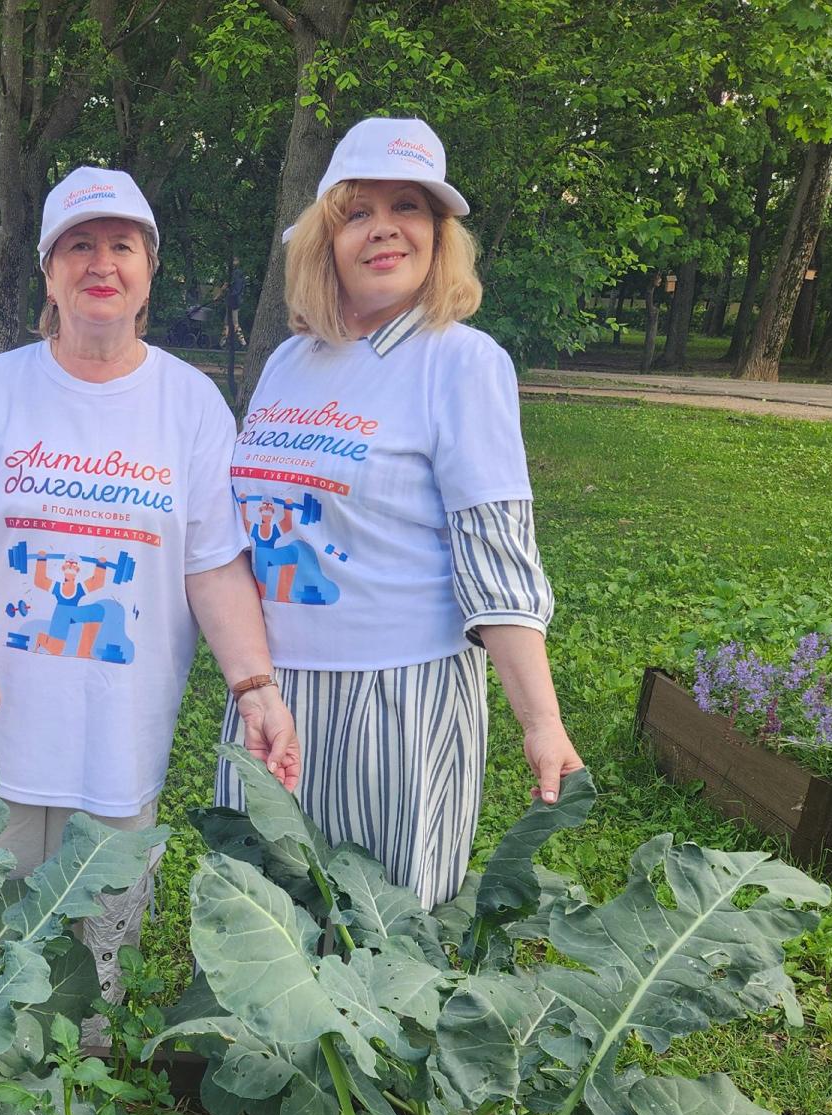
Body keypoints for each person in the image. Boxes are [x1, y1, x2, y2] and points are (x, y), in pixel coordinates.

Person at [0, 166, 298, 999]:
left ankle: (81, 1096)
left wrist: (255, 686)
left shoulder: (189, 404)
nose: (101, 263)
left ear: (149, 269)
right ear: (48, 270)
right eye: (79, 245)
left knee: (94, 974)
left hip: (120, 737)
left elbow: (214, 566)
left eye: (122, 245)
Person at [215, 116, 583, 905]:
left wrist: (540, 722)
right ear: (325, 237)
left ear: (440, 234)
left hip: (398, 699)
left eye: (408, 207)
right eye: (357, 212)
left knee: (384, 934)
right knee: (263, 921)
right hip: (273, 691)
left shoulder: (461, 362)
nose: (384, 230)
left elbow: (497, 556)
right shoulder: (289, 360)